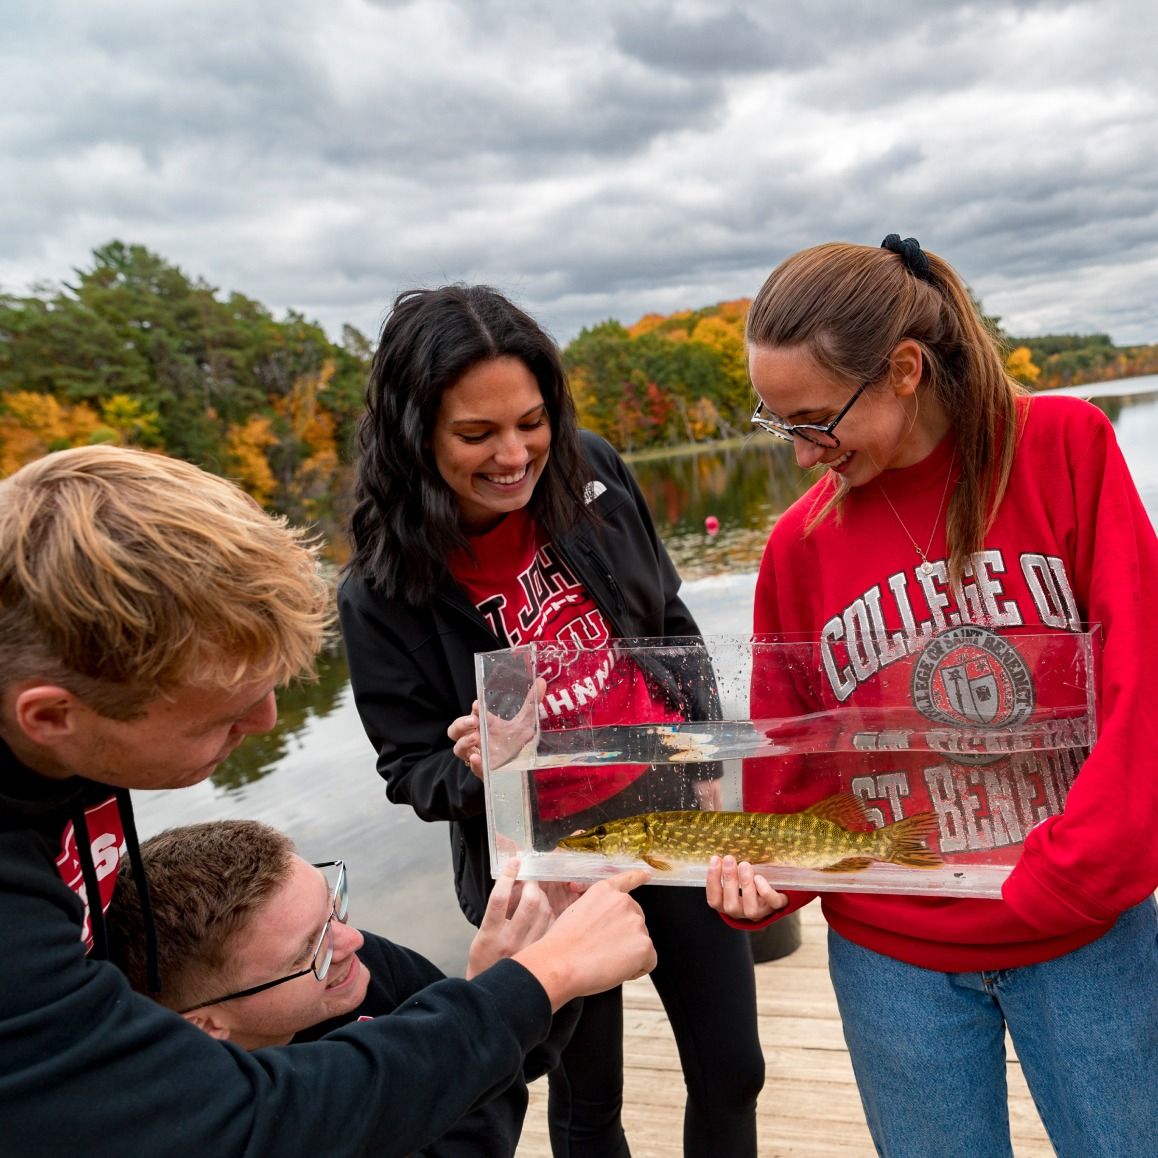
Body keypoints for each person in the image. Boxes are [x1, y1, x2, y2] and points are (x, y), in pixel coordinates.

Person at [0, 444, 657, 1158]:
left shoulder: (60, 742)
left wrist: (492, 998)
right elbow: (235, 1124)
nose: (265, 723)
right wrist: (536, 982)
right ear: (52, 716)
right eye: (221, 716)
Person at [706, 235, 1158, 1156]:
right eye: (778, 423)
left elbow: (1141, 681)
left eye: (816, 421)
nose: (799, 456)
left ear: (904, 370)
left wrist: (1072, 876)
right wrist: (764, 881)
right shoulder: (798, 546)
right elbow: (793, 762)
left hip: (1080, 931)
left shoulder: (1065, 449)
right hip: (892, 957)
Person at [339, 285, 764, 1158]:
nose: (514, 454)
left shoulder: (593, 475)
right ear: (414, 435)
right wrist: (483, 764)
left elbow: (670, 626)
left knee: (733, 1068)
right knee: (587, 1099)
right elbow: (409, 769)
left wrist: (715, 756)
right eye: (476, 435)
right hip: (549, 863)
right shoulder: (379, 590)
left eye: (532, 422)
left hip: (673, 814)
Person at [107, 819, 562, 1156]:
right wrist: (487, 1008)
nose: (352, 939)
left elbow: (524, 1059)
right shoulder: (205, 1128)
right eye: (310, 948)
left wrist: (540, 961)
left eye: (333, 904)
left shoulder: (354, 969)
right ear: (204, 1023)